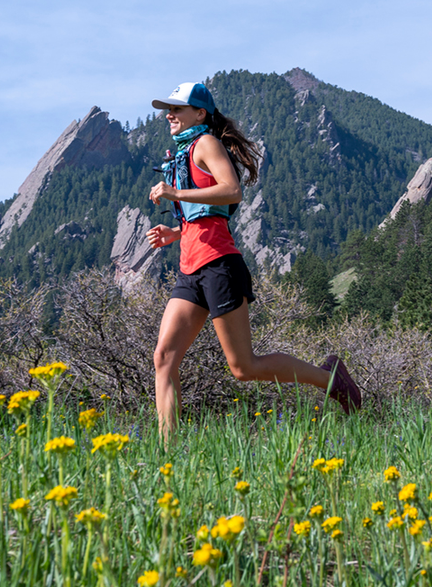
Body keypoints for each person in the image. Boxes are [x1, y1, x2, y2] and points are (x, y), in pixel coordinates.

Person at [146, 81, 361, 441]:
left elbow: (232, 190)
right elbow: (207, 214)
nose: (169, 114)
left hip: (218, 265)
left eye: (177, 108)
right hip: (189, 269)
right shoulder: (182, 154)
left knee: (244, 368)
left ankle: (330, 379)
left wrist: (175, 192)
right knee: (163, 358)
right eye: (168, 109)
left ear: (200, 113)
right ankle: (166, 454)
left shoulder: (206, 144)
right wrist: (176, 232)